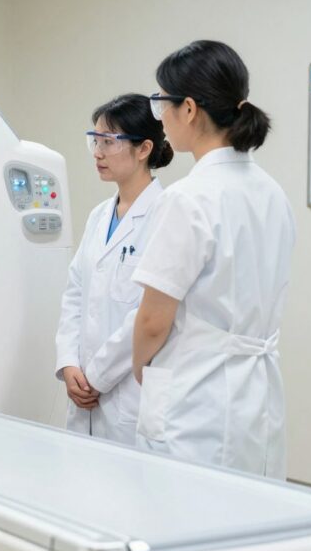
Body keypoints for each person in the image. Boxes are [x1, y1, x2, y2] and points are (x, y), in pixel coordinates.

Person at [131, 40, 295, 478]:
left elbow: (152, 321)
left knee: (186, 519)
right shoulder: (273, 193)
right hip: (256, 394)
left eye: (161, 102)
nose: (159, 115)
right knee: (251, 520)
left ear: (188, 109)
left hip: (196, 396)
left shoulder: (188, 197)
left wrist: (139, 369)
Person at [55, 93, 174, 445]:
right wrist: (69, 364)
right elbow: (75, 293)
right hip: (84, 387)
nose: (97, 152)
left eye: (109, 142)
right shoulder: (98, 216)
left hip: (126, 392)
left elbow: (146, 314)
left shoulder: (166, 214)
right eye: (94, 140)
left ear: (143, 149)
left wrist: (96, 377)